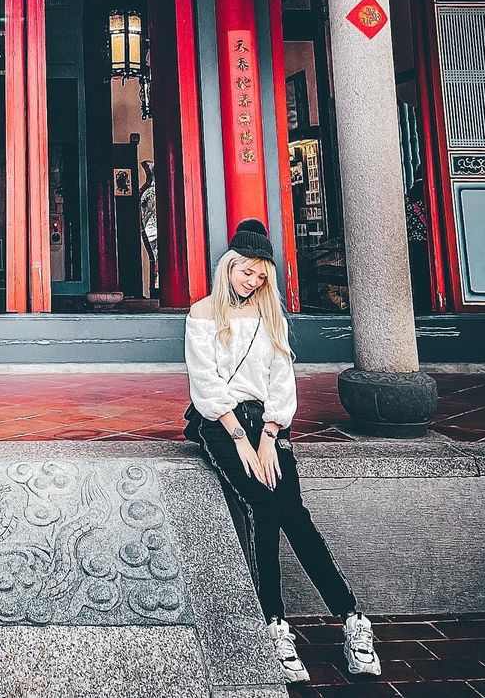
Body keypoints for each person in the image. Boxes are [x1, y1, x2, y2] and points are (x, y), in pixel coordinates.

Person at [183, 218, 381, 685]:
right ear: (229, 266)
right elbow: (205, 383)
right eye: (246, 271)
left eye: (260, 275)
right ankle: (275, 625)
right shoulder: (202, 313)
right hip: (222, 424)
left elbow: (281, 379)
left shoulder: (272, 316)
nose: (252, 281)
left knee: (295, 512)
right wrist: (240, 440)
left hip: (267, 425)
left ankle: (351, 616)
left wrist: (270, 436)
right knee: (264, 506)